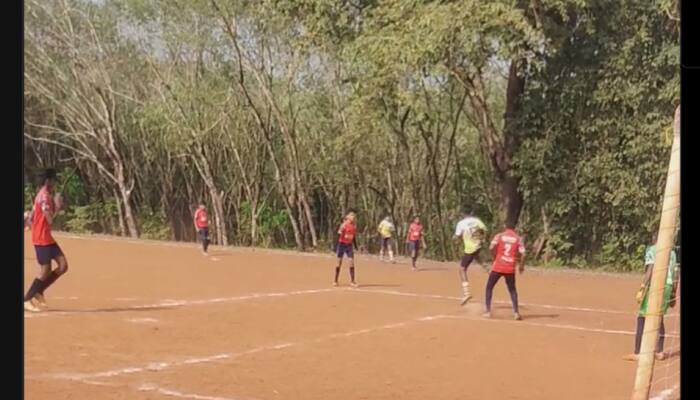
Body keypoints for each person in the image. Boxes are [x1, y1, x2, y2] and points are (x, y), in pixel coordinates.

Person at [623, 234, 679, 361]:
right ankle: (659, 351)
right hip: (668, 286)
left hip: (656, 285)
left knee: (642, 317)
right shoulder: (672, 253)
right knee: (659, 317)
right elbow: (676, 273)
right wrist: (673, 293)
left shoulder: (652, 249)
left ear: (655, 240)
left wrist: (643, 286)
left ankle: (638, 352)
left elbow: (650, 268)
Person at [23, 168, 69, 312]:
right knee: (45, 271)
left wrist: (56, 206)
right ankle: (27, 299)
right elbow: (49, 220)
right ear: (48, 181)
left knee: (63, 266)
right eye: (54, 180)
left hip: (46, 237)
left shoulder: (45, 195)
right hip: (41, 238)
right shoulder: (44, 197)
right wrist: (58, 208)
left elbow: (31, 217)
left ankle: (38, 291)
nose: (55, 183)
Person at [483, 222, 525, 320]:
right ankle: (516, 313)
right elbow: (524, 253)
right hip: (510, 267)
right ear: (515, 228)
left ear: (505, 227)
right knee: (512, 290)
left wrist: (494, 257)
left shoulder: (499, 236)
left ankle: (488, 311)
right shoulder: (518, 238)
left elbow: (491, 247)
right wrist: (521, 266)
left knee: (489, 287)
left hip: (498, 266)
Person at [454, 211, 487, 305]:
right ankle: (487, 268)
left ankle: (466, 293)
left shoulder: (461, 223)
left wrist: (455, 239)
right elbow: (484, 229)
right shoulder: (477, 221)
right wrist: (481, 239)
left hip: (470, 248)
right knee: (476, 256)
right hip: (478, 245)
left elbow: (457, 236)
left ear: (463, 214)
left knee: (462, 269)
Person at [334, 211, 359, 288]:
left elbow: (353, 236)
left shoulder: (354, 226)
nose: (353, 218)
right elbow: (338, 234)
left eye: (354, 216)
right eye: (351, 216)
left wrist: (356, 246)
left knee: (351, 262)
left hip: (349, 246)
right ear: (348, 217)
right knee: (339, 262)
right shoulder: (344, 225)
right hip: (342, 244)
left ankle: (352, 281)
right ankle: (335, 280)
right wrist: (335, 246)